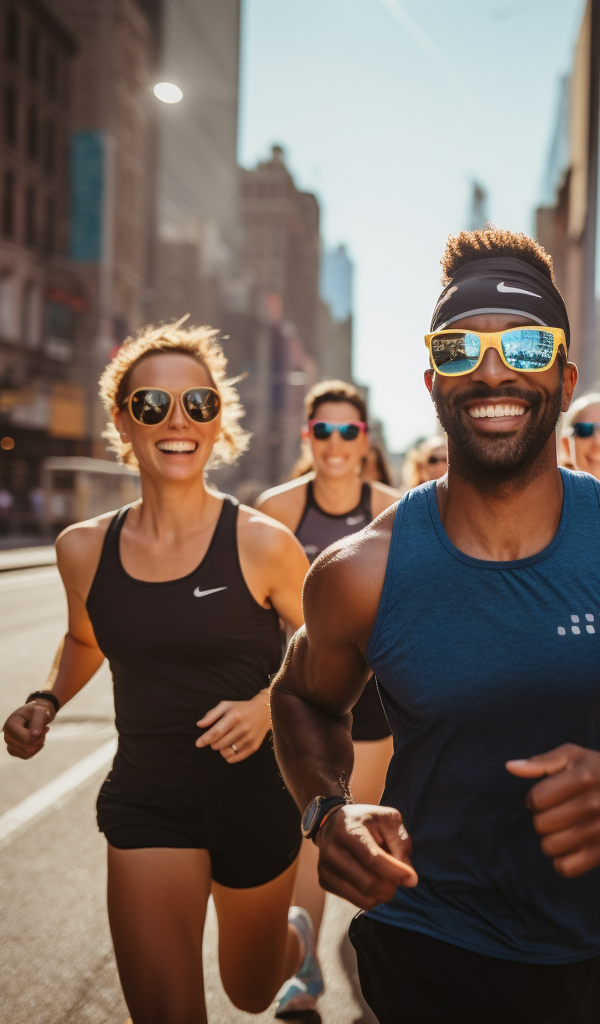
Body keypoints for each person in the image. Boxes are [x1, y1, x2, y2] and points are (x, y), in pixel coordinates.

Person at [269, 228, 600, 1024]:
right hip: (419, 941)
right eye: (461, 348)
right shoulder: (361, 569)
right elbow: (300, 698)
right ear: (432, 379)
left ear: (567, 378)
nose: (494, 370)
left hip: (585, 953)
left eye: (528, 345)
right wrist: (326, 810)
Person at [2, 322, 317, 1024]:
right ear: (123, 420)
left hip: (256, 801)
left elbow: (330, 648)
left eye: (198, 404)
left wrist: (268, 705)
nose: (177, 422)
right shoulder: (82, 550)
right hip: (146, 800)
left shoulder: (263, 544)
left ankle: (295, 939)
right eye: (152, 405)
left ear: (217, 420)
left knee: (251, 990)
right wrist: (47, 699)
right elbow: (84, 639)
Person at [255, 378, 401, 1015]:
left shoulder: (398, 508)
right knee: (314, 833)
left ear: (364, 440)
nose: (336, 444)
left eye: (348, 431)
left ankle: (392, 960)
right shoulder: (278, 510)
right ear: (307, 437)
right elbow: (258, 619)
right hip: (305, 699)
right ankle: (306, 973)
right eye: (324, 431)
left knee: (364, 831)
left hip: (378, 702)